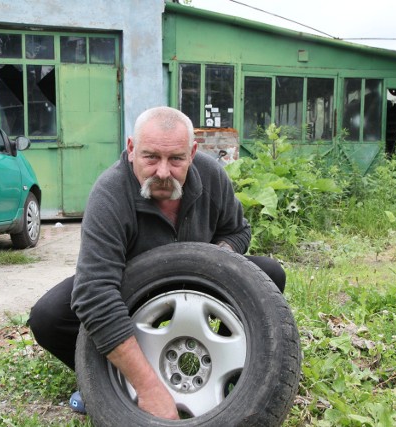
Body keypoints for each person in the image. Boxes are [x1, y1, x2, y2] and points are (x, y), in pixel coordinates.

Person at [28, 106, 286, 420]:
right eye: (151, 157)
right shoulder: (109, 194)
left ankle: (232, 369)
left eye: (176, 159)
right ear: (131, 148)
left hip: (202, 282)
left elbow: (237, 230)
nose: (163, 173)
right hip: (135, 289)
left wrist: (217, 262)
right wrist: (150, 390)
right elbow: (94, 293)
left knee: (269, 274)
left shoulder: (211, 175)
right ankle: (103, 382)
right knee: (49, 315)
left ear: (192, 152)